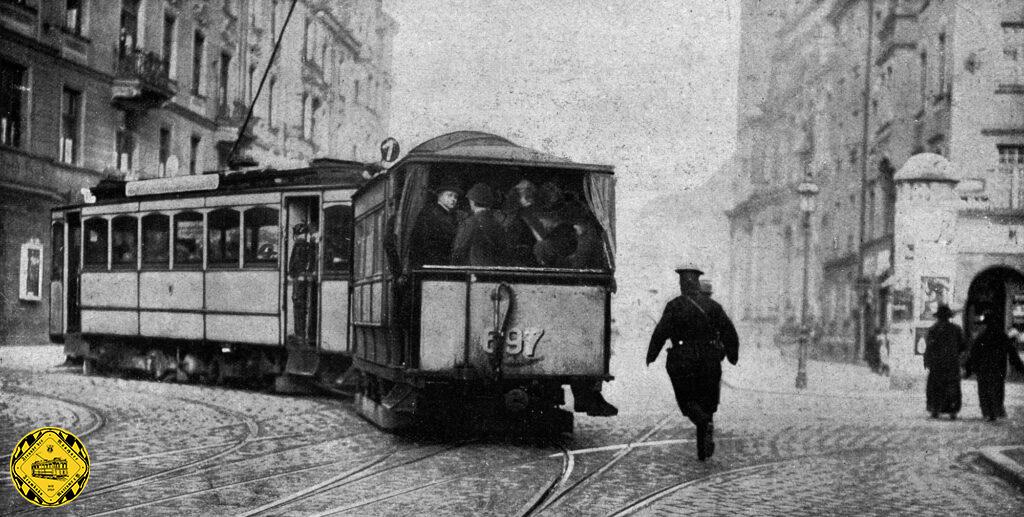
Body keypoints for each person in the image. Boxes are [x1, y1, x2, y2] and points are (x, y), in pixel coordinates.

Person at [647, 264, 739, 461]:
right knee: (708, 401)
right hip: (710, 359)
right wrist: (732, 356)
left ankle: (703, 424)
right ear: (697, 283)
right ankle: (704, 446)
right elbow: (729, 332)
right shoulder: (713, 307)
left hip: (682, 359)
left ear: (682, 284)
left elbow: (660, 332)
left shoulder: (674, 306)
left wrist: (652, 354)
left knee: (687, 401)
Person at [965, 306, 1024, 421]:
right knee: (997, 390)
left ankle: (988, 413)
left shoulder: (982, 337)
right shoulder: (1001, 336)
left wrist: (968, 369)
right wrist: (1020, 367)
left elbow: (974, 354)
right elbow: (1012, 353)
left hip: (983, 369)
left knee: (984, 391)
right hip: (998, 369)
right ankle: (996, 411)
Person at [924, 304, 966, 419]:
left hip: (936, 363)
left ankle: (935, 410)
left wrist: (927, 361)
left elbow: (929, 347)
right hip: (952, 363)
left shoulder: (933, 329)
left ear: (938, 317)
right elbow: (963, 346)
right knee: (952, 387)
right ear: (949, 317)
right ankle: (952, 411)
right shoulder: (956, 329)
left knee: (935, 387)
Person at [451, 183, 509, 266]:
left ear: (472, 202)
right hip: (495, 273)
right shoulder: (498, 225)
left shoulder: (469, 223)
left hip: (474, 273)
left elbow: (458, 251)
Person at [410, 178, 463, 266]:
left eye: (455, 197)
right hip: (431, 264)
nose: (453, 199)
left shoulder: (452, 216)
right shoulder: (430, 213)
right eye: (449, 195)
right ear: (440, 196)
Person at [288, 223, 318, 344]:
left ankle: (300, 335)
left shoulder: (299, 244)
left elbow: (295, 264)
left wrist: (293, 274)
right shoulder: (310, 244)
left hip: (300, 281)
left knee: (298, 305)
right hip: (306, 279)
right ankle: (306, 335)